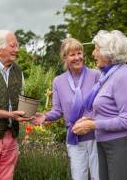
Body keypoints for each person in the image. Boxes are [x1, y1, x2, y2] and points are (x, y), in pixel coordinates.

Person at [72, 30, 127, 180]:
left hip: (124, 142)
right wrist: (89, 120)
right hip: (108, 142)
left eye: (97, 49)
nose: (93, 53)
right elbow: (108, 111)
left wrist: (93, 125)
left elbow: (126, 120)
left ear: (108, 53)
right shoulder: (107, 76)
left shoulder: (122, 76)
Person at [32, 37, 100, 180]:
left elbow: (101, 105)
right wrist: (45, 116)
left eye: (79, 53)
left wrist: (86, 121)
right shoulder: (58, 81)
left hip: (96, 136)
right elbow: (57, 110)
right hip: (75, 139)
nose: (77, 57)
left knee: (98, 177)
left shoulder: (95, 75)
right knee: (78, 177)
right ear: (65, 58)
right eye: (72, 54)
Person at [0, 29, 31, 180]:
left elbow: (23, 101)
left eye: (17, 46)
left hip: (11, 139)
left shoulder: (18, 71)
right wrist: (9, 115)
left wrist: (31, 115)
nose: (17, 50)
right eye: (12, 46)